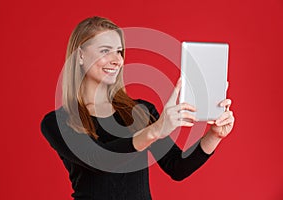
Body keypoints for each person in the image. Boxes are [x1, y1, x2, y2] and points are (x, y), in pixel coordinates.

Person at [40, 16, 235, 200]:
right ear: (80, 56)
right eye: (105, 50)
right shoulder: (58, 121)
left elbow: (177, 167)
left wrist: (214, 135)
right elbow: (100, 160)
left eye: (119, 51)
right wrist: (154, 130)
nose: (117, 59)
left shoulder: (141, 111)